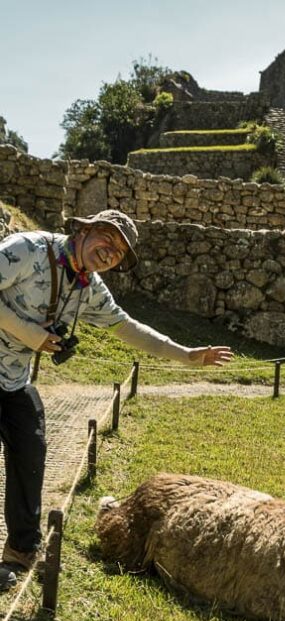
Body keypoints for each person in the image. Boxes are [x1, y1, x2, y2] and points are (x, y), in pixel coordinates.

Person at [0, 210, 233, 592]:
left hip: (12, 379)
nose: (110, 252)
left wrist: (187, 354)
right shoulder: (27, 250)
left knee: (31, 451)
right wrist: (29, 334)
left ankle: (21, 552)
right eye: (106, 239)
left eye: (120, 252)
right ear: (84, 229)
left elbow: (130, 329)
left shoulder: (88, 286)